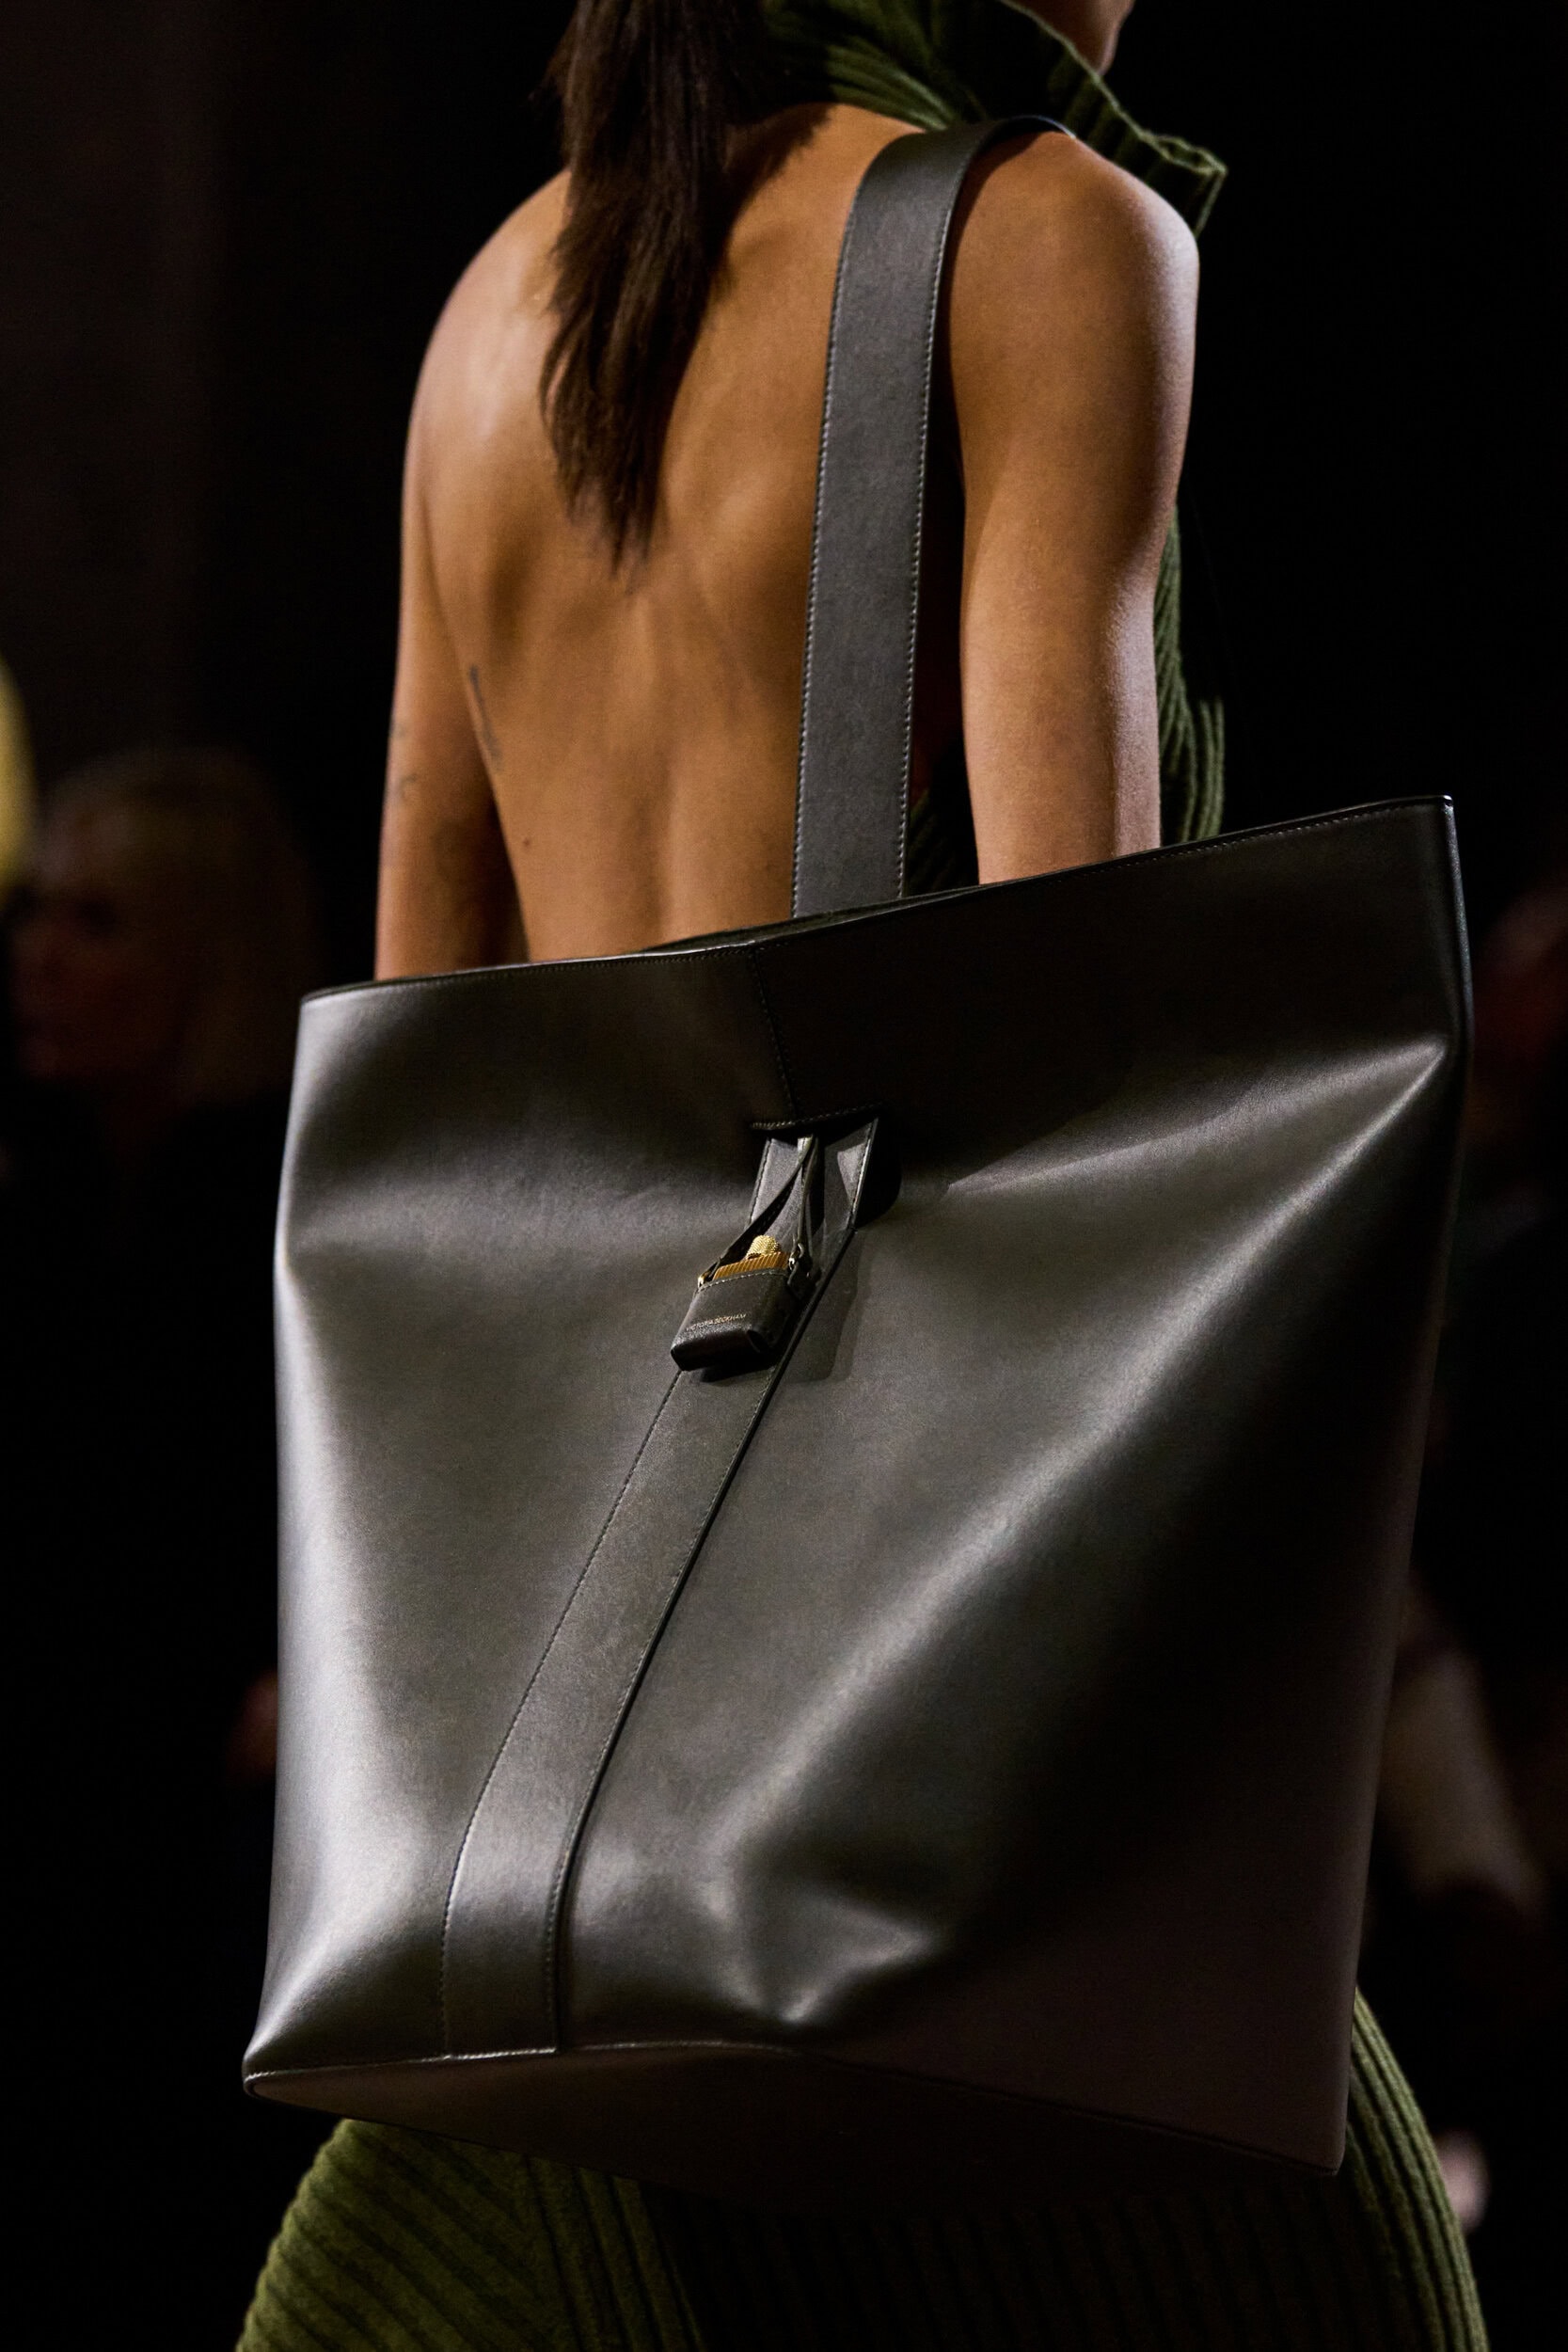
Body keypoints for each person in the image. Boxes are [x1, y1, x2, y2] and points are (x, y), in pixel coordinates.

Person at [241, 3, 1485, 2345]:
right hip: (945, 1848)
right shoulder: (1047, 246)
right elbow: (1080, 1087)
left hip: (552, 1900)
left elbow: (432, 1132)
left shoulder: (498, 308)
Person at [2, 747, 327, 2343]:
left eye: (100, 922)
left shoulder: (271, 1208)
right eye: (36, 914)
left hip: (204, 1797)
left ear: (209, 961)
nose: (40, 958)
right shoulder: (47, 1189)